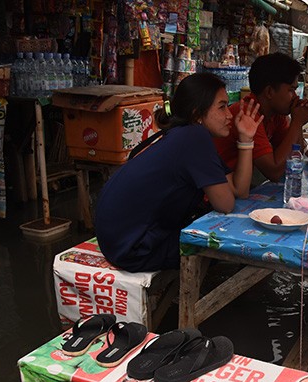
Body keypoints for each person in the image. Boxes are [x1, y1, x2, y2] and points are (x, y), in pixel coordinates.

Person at [94, 73, 263, 272]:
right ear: (197, 114)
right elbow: (225, 204)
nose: (229, 115)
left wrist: (245, 139)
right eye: (222, 106)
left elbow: (239, 189)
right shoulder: (194, 137)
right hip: (133, 249)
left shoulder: (187, 135)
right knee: (228, 244)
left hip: (116, 239)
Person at [214, 53, 308, 183]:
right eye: (291, 90)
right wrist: (297, 122)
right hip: (219, 189)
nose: (295, 97)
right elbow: (274, 172)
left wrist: (298, 121)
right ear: (269, 92)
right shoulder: (247, 115)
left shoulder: (276, 115)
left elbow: (295, 155)